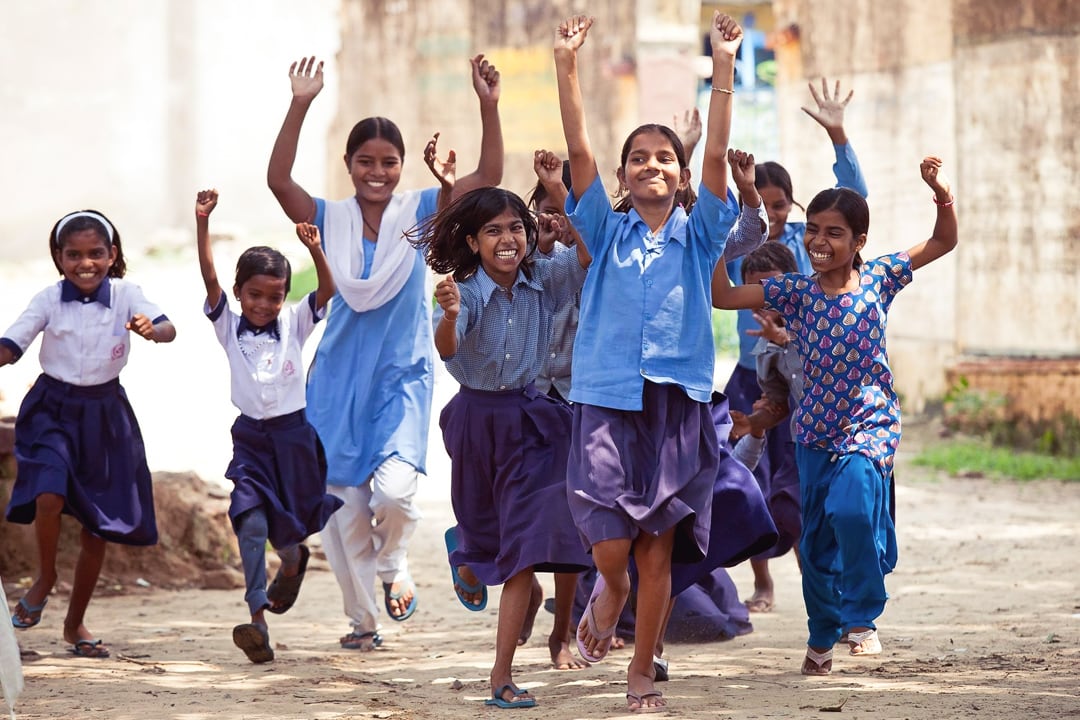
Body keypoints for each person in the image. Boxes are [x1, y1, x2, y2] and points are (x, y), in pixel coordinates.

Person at [554, 12, 767, 712]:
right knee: (611, 549)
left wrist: (724, 65)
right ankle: (606, 592)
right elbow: (577, 150)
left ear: (680, 179)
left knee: (656, 550)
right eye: (639, 157)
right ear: (622, 176)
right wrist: (566, 65)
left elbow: (716, 158)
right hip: (606, 399)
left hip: (675, 405)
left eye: (665, 158)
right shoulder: (602, 229)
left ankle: (640, 669)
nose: (653, 165)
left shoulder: (702, 233)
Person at [266, 53, 503, 650]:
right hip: (337, 380)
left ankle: (396, 561)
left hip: (401, 375)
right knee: (342, 512)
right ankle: (362, 623)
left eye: (389, 163)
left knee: (395, 494)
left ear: (401, 167)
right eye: (365, 162)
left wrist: (488, 104)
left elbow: (488, 176)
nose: (378, 172)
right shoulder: (327, 217)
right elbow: (278, 182)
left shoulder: (422, 213)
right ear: (348, 165)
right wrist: (300, 104)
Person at [712, 153, 957, 675]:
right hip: (814, 436)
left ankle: (862, 619)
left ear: (859, 242)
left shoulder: (881, 279)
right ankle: (821, 637)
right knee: (817, 545)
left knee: (851, 511)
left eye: (835, 233)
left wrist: (940, 193)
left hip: (869, 428)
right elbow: (723, 294)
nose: (819, 241)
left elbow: (942, 242)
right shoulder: (795, 292)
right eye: (814, 231)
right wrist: (715, 232)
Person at [413, 186, 592, 707]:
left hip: (535, 422)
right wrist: (448, 314)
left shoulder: (545, 278)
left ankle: (501, 677)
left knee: (526, 549)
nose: (507, 238)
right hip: (475, 421)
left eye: (516, 227)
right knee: (488, 541)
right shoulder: (462, 291)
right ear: (473, 241)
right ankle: (467, 556)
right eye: (493, 230)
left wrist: (566, 217)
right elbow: (449, 349)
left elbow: (587, 256)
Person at [0, 209, 176, 659]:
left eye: (96, 254)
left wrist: (150, 330)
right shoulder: (47, 300)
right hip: (52, 411)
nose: (85, 263)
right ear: (59, 257)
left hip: (105, 416)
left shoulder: (125, 294)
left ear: (112, 254)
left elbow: (167, 327)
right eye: (73, 254)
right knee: (48, 493)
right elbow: (12, 343)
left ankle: (75, 622)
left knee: (98, 526)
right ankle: (44, 578)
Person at [721, 79, 868, 614]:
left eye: (781, 204)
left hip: (810, 379)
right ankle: (763, 580)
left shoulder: (813, 242)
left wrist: (838, 137)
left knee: (808, 487)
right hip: (753, 375)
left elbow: (855, 205)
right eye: (765, 205)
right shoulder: (740, 244)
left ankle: (821, 586)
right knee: (751, 480)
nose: (776, 214)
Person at [194, 189, 343, 663]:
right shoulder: (227, 325)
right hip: (252, 441)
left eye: (274, 296)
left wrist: (315, 248)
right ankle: (257, 618)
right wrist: (202, 223)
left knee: (288, 533)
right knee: (250, 522)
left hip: (294, 439)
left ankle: (294, 559)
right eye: (254, 295)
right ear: (239, 294)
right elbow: (210, 277)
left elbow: (327, 290)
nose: (263, 304)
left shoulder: (295, 322)